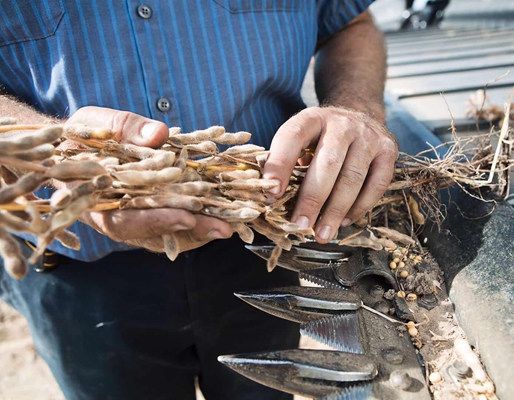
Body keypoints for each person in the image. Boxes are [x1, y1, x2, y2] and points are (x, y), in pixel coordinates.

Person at [0, 1, 396, 399]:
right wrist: (55, 150)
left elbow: (349, 22)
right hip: (78, 272)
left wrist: (357, 109)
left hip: (260, 246)